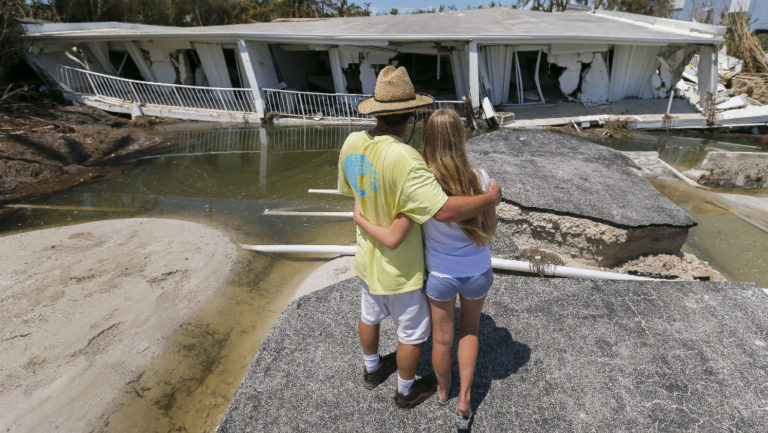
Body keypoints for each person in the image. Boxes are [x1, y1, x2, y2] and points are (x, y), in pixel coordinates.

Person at [337, 66, 501, 410]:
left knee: (369, 316)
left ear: (377, 110)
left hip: (367, 259)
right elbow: (442, 210)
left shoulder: (352, 142)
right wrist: (489, 198)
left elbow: (352, 190)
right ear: (410, 115)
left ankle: (371, 370)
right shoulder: (407, 160)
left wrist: (361, 215)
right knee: (410, 334)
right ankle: (406, 390)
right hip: (401, 269)